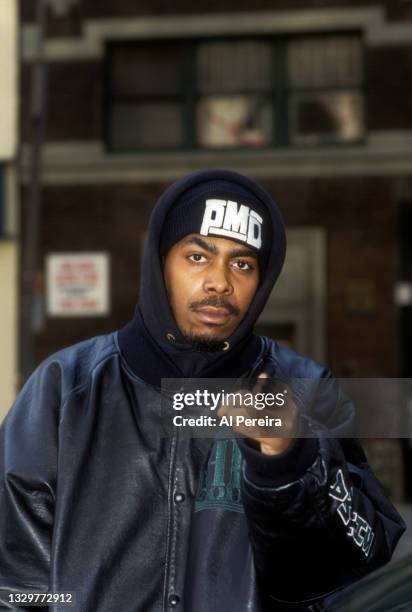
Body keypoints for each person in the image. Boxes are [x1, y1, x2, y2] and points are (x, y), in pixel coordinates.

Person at [0, 169, 405, 612]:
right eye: (197, 257)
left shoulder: (305, 390)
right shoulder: (67, 387)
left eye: (243, 263)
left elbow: (347, 566)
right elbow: (15, 583)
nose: (219, 282)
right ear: (160, 264)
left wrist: (289, 464)